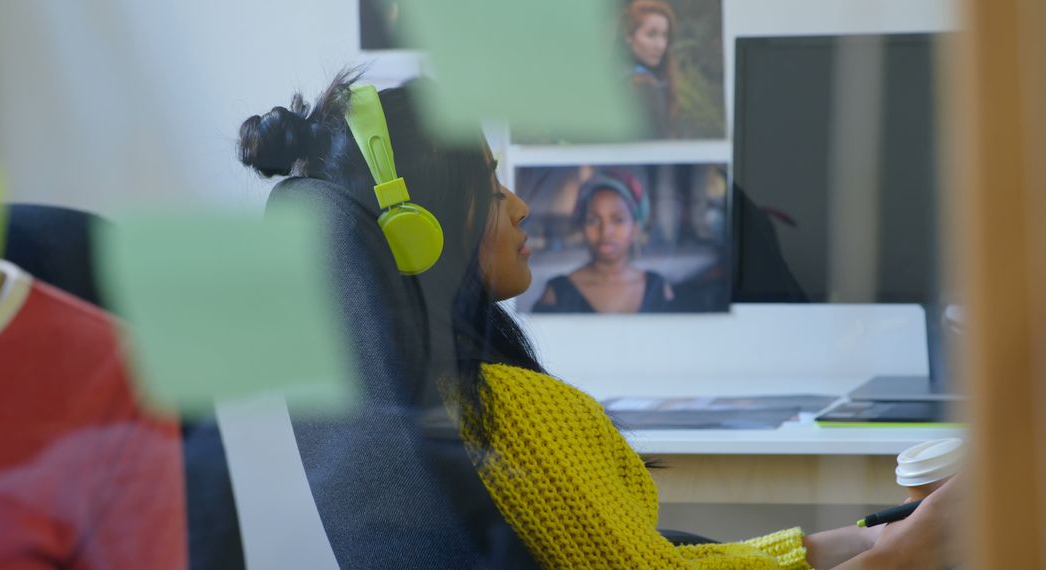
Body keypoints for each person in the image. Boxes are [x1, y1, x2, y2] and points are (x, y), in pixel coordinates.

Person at [238, 72, 961, 569]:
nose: (518, 205)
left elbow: (642, 560)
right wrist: (903, 554)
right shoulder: (512, 411)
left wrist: (845, 543)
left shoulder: (443, 406)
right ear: (416, 230)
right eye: (490, 186)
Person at [532, 171, 675, 313]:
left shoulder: (658, 289)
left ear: (635, 228)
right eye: (593, 220)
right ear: (582, 228)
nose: (605, 232)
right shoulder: (557, 293)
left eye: (618, 220)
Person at [623, 0, 681, 139]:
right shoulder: (642, 85)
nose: (660, 45)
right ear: (629, 37)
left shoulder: (657, 79)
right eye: (651, 34)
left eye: (664, 35)